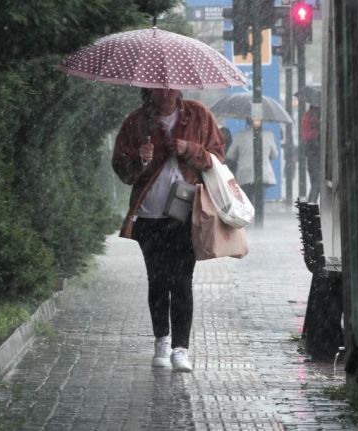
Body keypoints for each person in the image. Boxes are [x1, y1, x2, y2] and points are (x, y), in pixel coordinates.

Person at [111, 88, 225, 372]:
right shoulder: (137, 121)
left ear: (179, 87)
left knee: (182, 281)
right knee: (158, 280)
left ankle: (180, 349)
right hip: (149, 216)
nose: (166, 92)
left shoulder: (198, 115)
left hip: (186, 214)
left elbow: (218, 159)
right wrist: (140, 160)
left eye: (171, 86)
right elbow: (122, 171)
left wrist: (191, 150)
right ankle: (161, 341)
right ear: (149, 90)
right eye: (159, 87)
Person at [225, 117, 279, 203]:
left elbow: (230, 155)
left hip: (245, 174)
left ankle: (251, 213)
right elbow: (275, 155)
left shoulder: (240, 135)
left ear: (247, 123)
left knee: (247, 201)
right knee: (259, 201)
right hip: (263, 174)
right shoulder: (268, 135)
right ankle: (259, 214)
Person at [302, 105, 321, 202]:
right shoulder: (314, 117)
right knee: (317, 184)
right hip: (314, 151)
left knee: (315, 183)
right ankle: (310, 207)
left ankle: (310, 207)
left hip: (310, 152)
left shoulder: (307, 115)